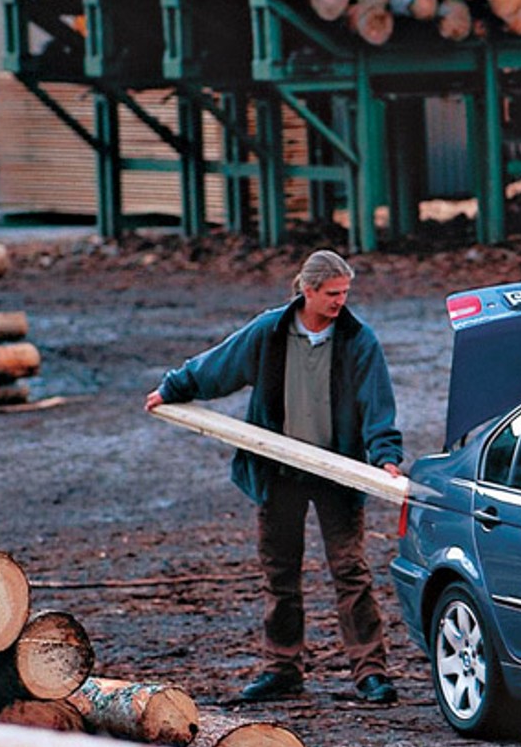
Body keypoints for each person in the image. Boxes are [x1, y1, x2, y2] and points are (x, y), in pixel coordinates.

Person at [146, 250, 404, 706]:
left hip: (335, 470)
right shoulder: (270, 332)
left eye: (345, 293)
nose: (340, 302)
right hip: (279, 469)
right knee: (279, 571)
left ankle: (370, 671)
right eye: (332, 294)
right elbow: (218, 366)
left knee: (350, 571)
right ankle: (282, 668)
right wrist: (173, 388)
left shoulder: (358, 340)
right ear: (307, 290)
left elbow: (377, 406)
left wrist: (385, 458)